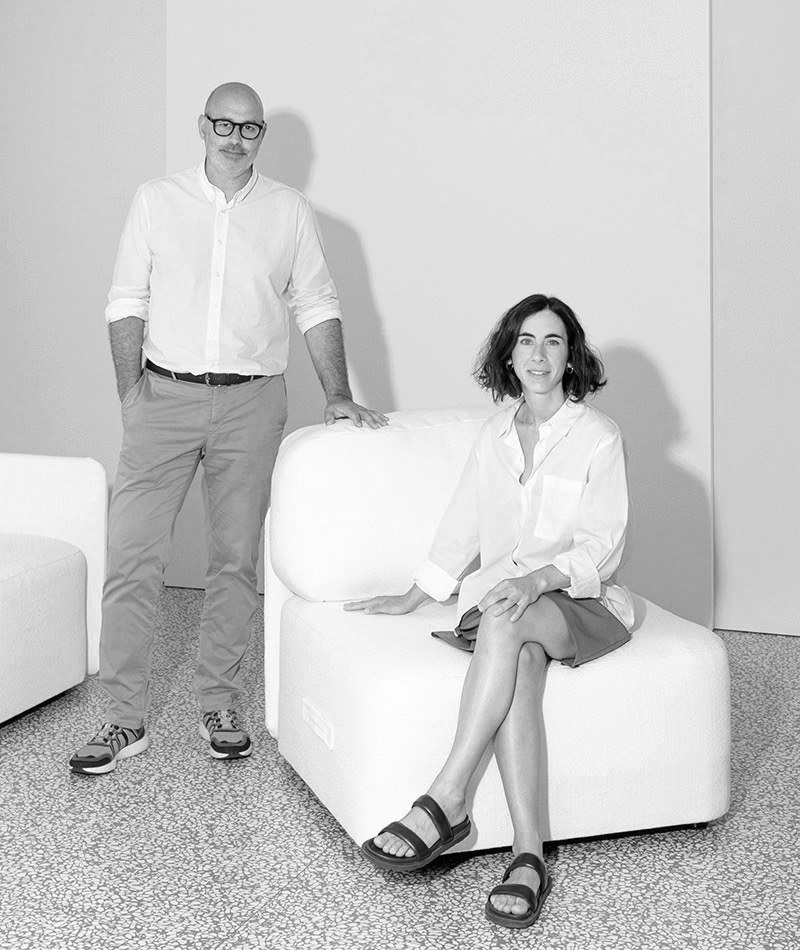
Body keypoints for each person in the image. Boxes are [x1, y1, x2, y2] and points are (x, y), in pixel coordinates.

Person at [69, 82, 388, 776]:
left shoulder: (288, 210)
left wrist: (338, 393)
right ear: (203, 127)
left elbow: (316, 301)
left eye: (250, 128)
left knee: (235, 560)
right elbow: (126, 299)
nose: (236, 138)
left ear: (261, 135)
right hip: (163, 397)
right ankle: (123, 717)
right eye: (224, 124)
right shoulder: (156, 200)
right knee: (132, 557)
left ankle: (218, 702)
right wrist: (131, 394)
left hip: (252, 403)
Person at [345, 294, 633, 929]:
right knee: (520, 662)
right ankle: (529, 856)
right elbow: (463, 524)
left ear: (571, 356)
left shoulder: (597, 436)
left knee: (505, 613)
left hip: (578, 600)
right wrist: (417, 593)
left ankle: (447, 796)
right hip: (510, 601)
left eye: (553, 341)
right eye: (526, 340)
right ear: (509, 354)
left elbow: (603, 545)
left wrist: (537, 580)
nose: (538, 354)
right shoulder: (493, 435)